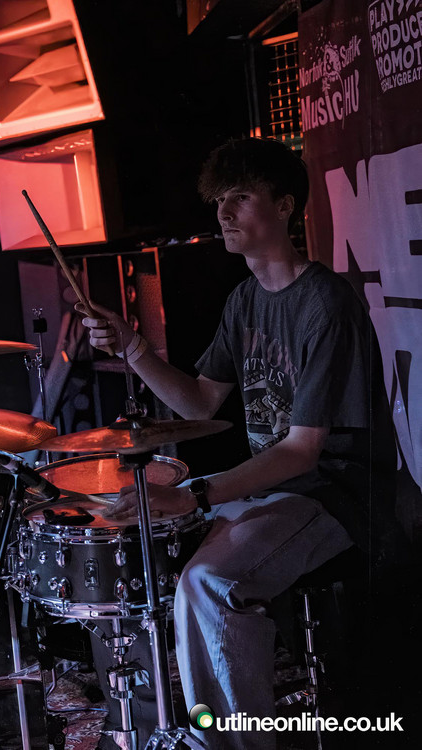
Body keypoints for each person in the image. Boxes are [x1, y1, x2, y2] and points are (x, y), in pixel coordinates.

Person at [76, 137, 397, 750]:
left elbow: (302, 451)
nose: (222, 212)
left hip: (336, 492)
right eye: (219, 199)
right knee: (134, 546)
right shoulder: (244, 301)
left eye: (240, 197)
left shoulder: (325, 303)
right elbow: (199, 401)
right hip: (277, 487)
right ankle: (154, 726)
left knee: (209, 583)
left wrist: (196, 495)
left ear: (285, 205)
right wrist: (132, 347)